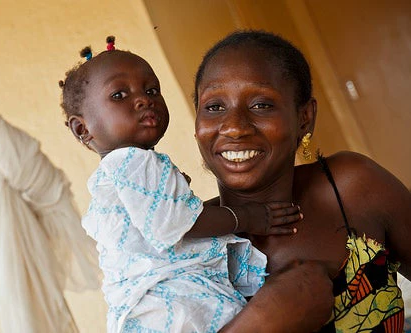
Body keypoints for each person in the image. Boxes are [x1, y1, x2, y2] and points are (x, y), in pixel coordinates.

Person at [58, 36, 305, 332]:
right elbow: (175, 223)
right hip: (169, 302)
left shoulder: (120, 173)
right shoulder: (134, 163)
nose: (143, 99)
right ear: (82, 128)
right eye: (119, 95)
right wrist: (250, 217)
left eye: (151, 90)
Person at [193, 29, 411, 332]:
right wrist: (263, 321)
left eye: (261, 104)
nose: (234, 127)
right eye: (214, 107)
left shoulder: (352, 189)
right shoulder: (182, 239)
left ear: (304, 118)